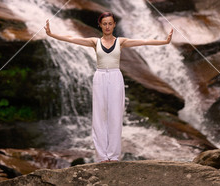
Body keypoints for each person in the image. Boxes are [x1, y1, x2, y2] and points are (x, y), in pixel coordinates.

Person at [44, 11, 173, 163]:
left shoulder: (121, 42)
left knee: (115, 116)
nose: (107, 26)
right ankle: (101, 156)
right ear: (100, 25)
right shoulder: (94, 41)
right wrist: (52, 34)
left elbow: (143, 41)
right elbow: (72, 39)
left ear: (114, 25)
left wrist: (164, 41)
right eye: (104, 24)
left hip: (115, 76)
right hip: (99, 77)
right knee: (99, 116)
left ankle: (113, 155)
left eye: (110, 23)